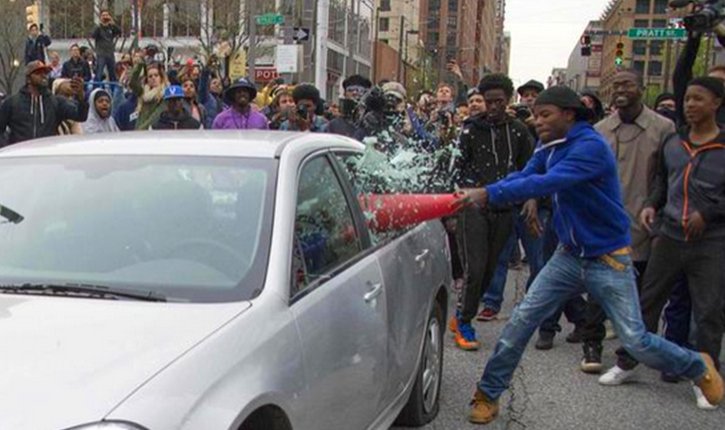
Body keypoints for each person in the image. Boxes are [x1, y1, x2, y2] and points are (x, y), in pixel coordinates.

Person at [458, 86, 724, 425]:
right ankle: (488, 394)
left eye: (545, 115)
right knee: (520, 321)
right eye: (536, 115)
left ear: (569, 115)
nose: (538, 121)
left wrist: (486, 193)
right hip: (568, 256)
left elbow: (548, 182)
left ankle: (697, 365)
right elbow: (526, 176)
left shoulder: (590, 147)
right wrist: (487, 190)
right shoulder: (548, 144)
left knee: (635, 340)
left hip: (608, 258)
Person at [599, 77, 725, 409]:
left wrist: (708, 213)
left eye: (699, 99)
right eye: (688, 99)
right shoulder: (674, 141)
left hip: (711, 242)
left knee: (708, 311)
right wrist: (651, 205)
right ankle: (628, 361)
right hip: (669, 235)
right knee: (647, 301)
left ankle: (706, 376)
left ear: (716, 103)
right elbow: (662, 182)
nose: (690, 105)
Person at [577, 70, 676, 374]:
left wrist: (656, 210)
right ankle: (591, 344)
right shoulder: (600, 130)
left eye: (627, 84)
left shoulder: (664, 128)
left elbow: (667, 177)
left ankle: (631, 353)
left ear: (641, 88)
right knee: (598, 288)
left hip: (645, 222)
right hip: (604, 223)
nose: (620, 89)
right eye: (616, 85)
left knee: (641, 294)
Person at [451, 73, 534, 351]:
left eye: (499, 101)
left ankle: (463, 312)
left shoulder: (519, 131)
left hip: (504, 208)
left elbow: (528, 169)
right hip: (473, 207)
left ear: (508, 100)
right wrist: (456, 206)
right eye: (489, 101)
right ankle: (464, 321)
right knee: (474, 268)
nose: (494, 106)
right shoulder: (470, 129)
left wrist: (529, 199)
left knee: (489, 270)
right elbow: (456, 168)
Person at [0, 61, 88, 145]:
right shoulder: (12, 102)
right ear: (28, 79)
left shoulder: (56, 102)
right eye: (38, 73)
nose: (43, 75)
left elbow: (81, 116)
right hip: (20, 153)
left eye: (45, 73)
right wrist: (7, 148)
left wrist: (81, 97)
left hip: (46, 153)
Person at [130, 62, 169, 130]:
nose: (153, 78)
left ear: (161, 77)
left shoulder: (165, 94)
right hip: (139, 130)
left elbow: (156, 116)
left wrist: (141, 129)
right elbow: (132, 83)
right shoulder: (143, 92)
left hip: (153, 131)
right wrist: (140, 64)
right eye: (150, 76)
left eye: (156, 75)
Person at [91, 10, 121, 82]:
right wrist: (100, 24)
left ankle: (113, 87)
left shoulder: (111, 27)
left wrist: (113, 23)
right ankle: (97, 86)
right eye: (103, 15)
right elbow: (93, 35)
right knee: (99, 72)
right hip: (101, 54)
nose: (105, 17)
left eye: (106, 15)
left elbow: (119, 32)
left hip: (110, 53)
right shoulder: (98, 28)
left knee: (112, 73)